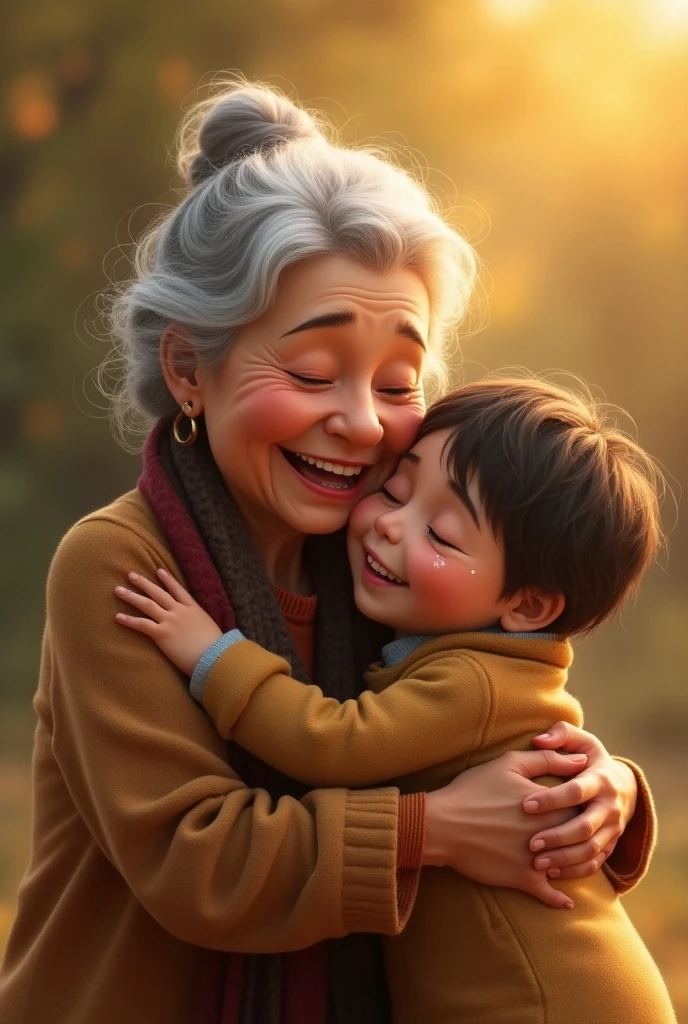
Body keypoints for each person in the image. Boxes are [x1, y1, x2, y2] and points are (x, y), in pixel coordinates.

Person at [0, 82, 652, 1024]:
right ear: (189, 369)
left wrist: (601, 789)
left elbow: (492, 700)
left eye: (398, 382)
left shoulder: (374, 548)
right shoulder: (120, 565)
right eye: (311, 373)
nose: (357, 423)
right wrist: (437, 831)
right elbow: (200, 859)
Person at [115, 377, 675, 1023]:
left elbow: (332, 743)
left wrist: (213, 656)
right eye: (395, 490)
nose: (387, 524)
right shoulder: (475, 658)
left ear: (525, 605)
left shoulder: (472, 681)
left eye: (439, 534)